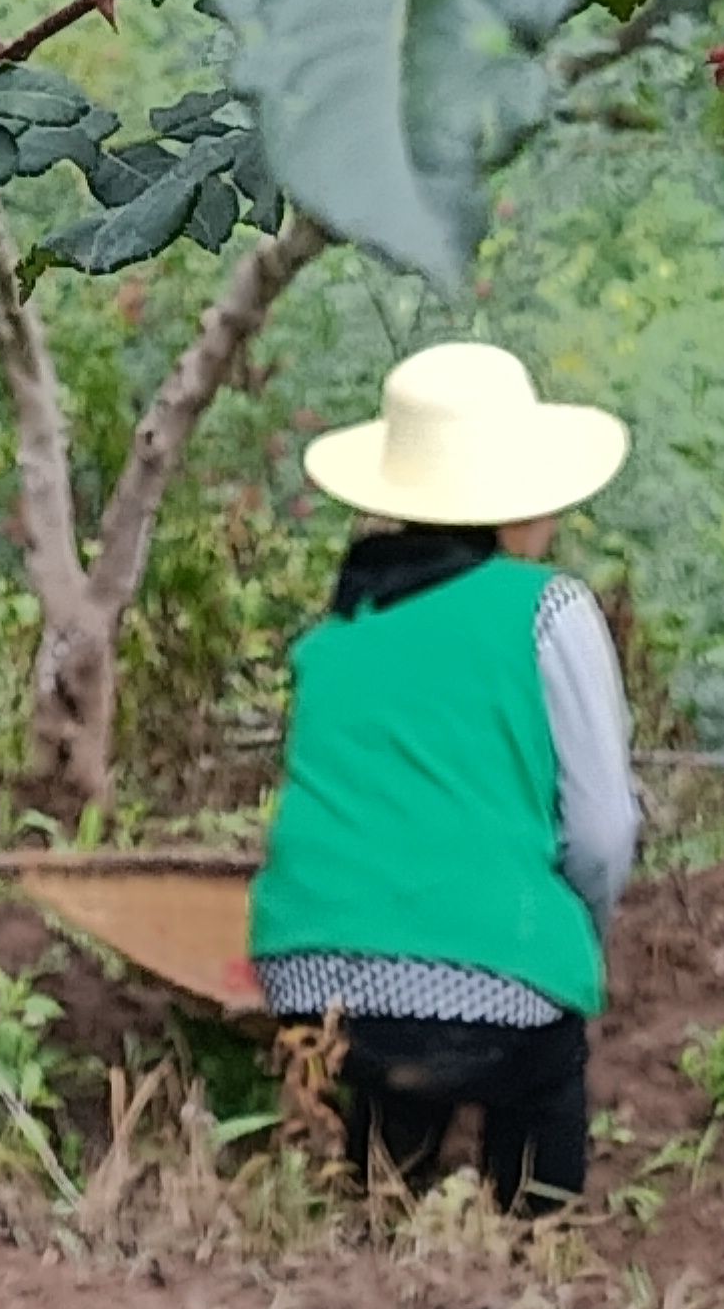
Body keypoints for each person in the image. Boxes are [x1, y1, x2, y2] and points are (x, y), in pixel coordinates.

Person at [247, 338, 643, 1209]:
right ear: (515, 506)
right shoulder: (548, 607)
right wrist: (570, 934)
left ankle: (374, 1215)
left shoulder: (336, 633)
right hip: (493, 988)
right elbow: (604, 831)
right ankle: (531, 1245)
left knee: (392, 1108)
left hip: (312, 987)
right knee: (536, 1082)